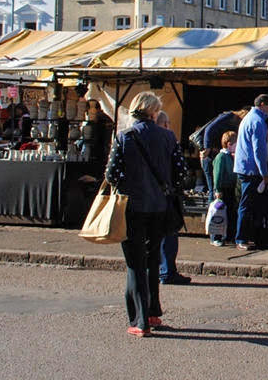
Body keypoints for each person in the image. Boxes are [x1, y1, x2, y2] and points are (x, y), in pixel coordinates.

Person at [105, 91, 186, 337]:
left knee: (135, 264)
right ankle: (152, 312)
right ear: (154, 112)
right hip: (159, 207)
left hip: (133, 207)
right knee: (152, 261)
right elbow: (181, 174)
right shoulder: (168, 136)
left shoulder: (124, 137)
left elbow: (111, 174)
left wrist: (129, 183)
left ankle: (140, 321)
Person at [233, 93, 268, 250]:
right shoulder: (257, 122)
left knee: (252, 205)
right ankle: (241, 238)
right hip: (252, 170)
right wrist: (265, 173)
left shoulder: (249, 118)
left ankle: (253, 238)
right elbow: (259, 150)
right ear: (263, 104)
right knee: (248, 205)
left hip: (245, 167)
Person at [155, 110, 191, 285]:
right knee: (168, 235)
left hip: (145, 196)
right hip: (167, 193)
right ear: (166, 124)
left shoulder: (133, 137)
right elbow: (181, 170)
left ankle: (155, 270)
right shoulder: (169, 139)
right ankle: (167, 271)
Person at [199, 107, 249, 203]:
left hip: (215, 153)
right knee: (214, 189)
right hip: (210, 155)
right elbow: (209, 129)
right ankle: (213, 214)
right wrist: (207, 148)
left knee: (216, 189)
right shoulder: (228, 117)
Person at [211, 130, 238, 245]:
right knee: (219, 214)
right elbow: (217, 174)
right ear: (229, 144)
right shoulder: (221, 157)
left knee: (230, 213)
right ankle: (216, 237)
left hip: (231, 188)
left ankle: (228, 236)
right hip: (223, 189)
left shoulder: (230, 156)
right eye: (236, 143)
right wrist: (218, 189)